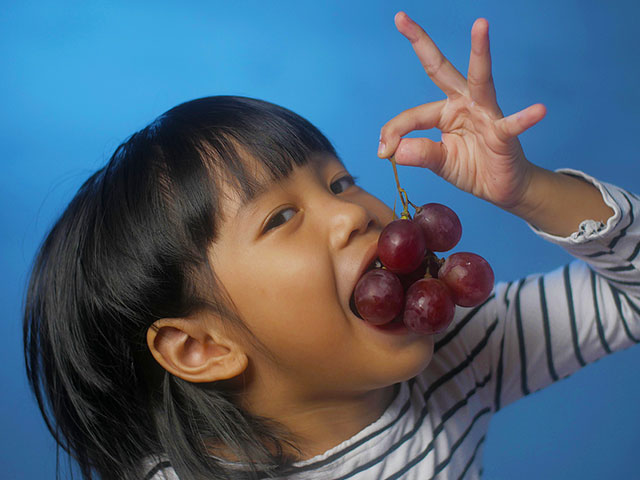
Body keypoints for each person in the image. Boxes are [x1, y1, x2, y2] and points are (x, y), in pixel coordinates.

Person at [23, 11, 639, 480]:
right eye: (280, 217)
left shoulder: (459, 356)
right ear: (200, 346)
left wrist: (528, 189)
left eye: (341, 181)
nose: (349, 212)